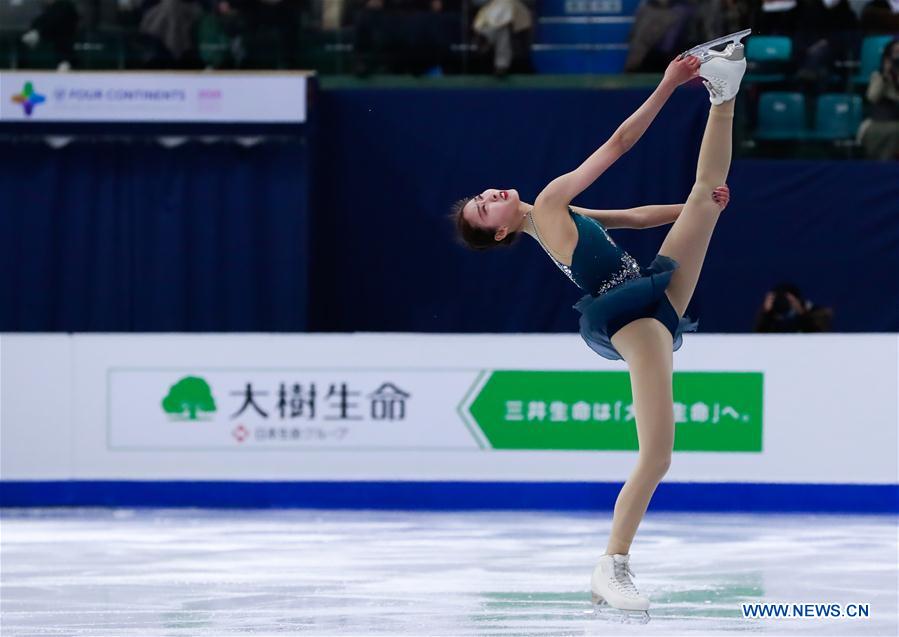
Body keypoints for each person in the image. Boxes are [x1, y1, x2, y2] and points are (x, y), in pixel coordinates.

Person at [450, 35, 748, 618]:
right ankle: (612, 563)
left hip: (651, 288)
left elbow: (633, 218)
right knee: (658, 455)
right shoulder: (551, 200)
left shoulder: (555, 215)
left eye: (483, 196)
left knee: (704, 196)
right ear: (500, 233)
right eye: (484, 210)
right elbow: (617, 144)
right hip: (630, 318)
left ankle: (723, 94)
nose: (490, 196)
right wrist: (667, 83)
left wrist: (699, 205)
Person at [858, 37, 899, 160]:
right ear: (888, 57)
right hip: (881, 121)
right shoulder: (878, 76)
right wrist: (885, 77)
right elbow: (872, 97)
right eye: (896, 53)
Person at [754, 282, 833, 331]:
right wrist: (766, 314)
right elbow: (758, 342)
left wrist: (802, 314)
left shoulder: (817, 313)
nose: (784, 303)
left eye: (790, 300)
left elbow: (820, 341)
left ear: (798, 300)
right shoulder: (769, 316)